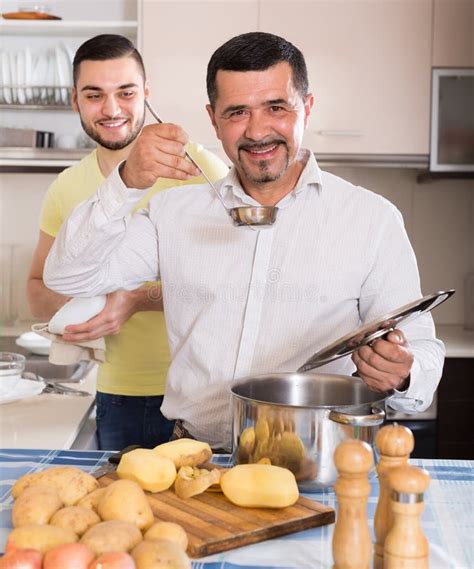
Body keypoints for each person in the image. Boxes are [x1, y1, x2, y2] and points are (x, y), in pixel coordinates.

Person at [44, 32, 445, 451]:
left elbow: (421, 350)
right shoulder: (173, 214)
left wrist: (403, 371)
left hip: (320, 461)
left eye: (276, 107)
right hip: (195, 459)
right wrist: (124, 180)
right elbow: (70, 277)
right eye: (236, 112)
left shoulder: (371, 219)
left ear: (306, 107)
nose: (257, 131)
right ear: (213, 119)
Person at [27, 34, 229, 450]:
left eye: (126, 92)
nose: (112, 109)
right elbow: (36, 285)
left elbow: (235, 278)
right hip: (120, 395)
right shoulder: (66, 188)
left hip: (205, 391)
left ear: (147, 94)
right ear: (75, 101)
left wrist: (136, 300)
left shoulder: (196, 168)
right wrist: (81, 310)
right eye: (94, 95)